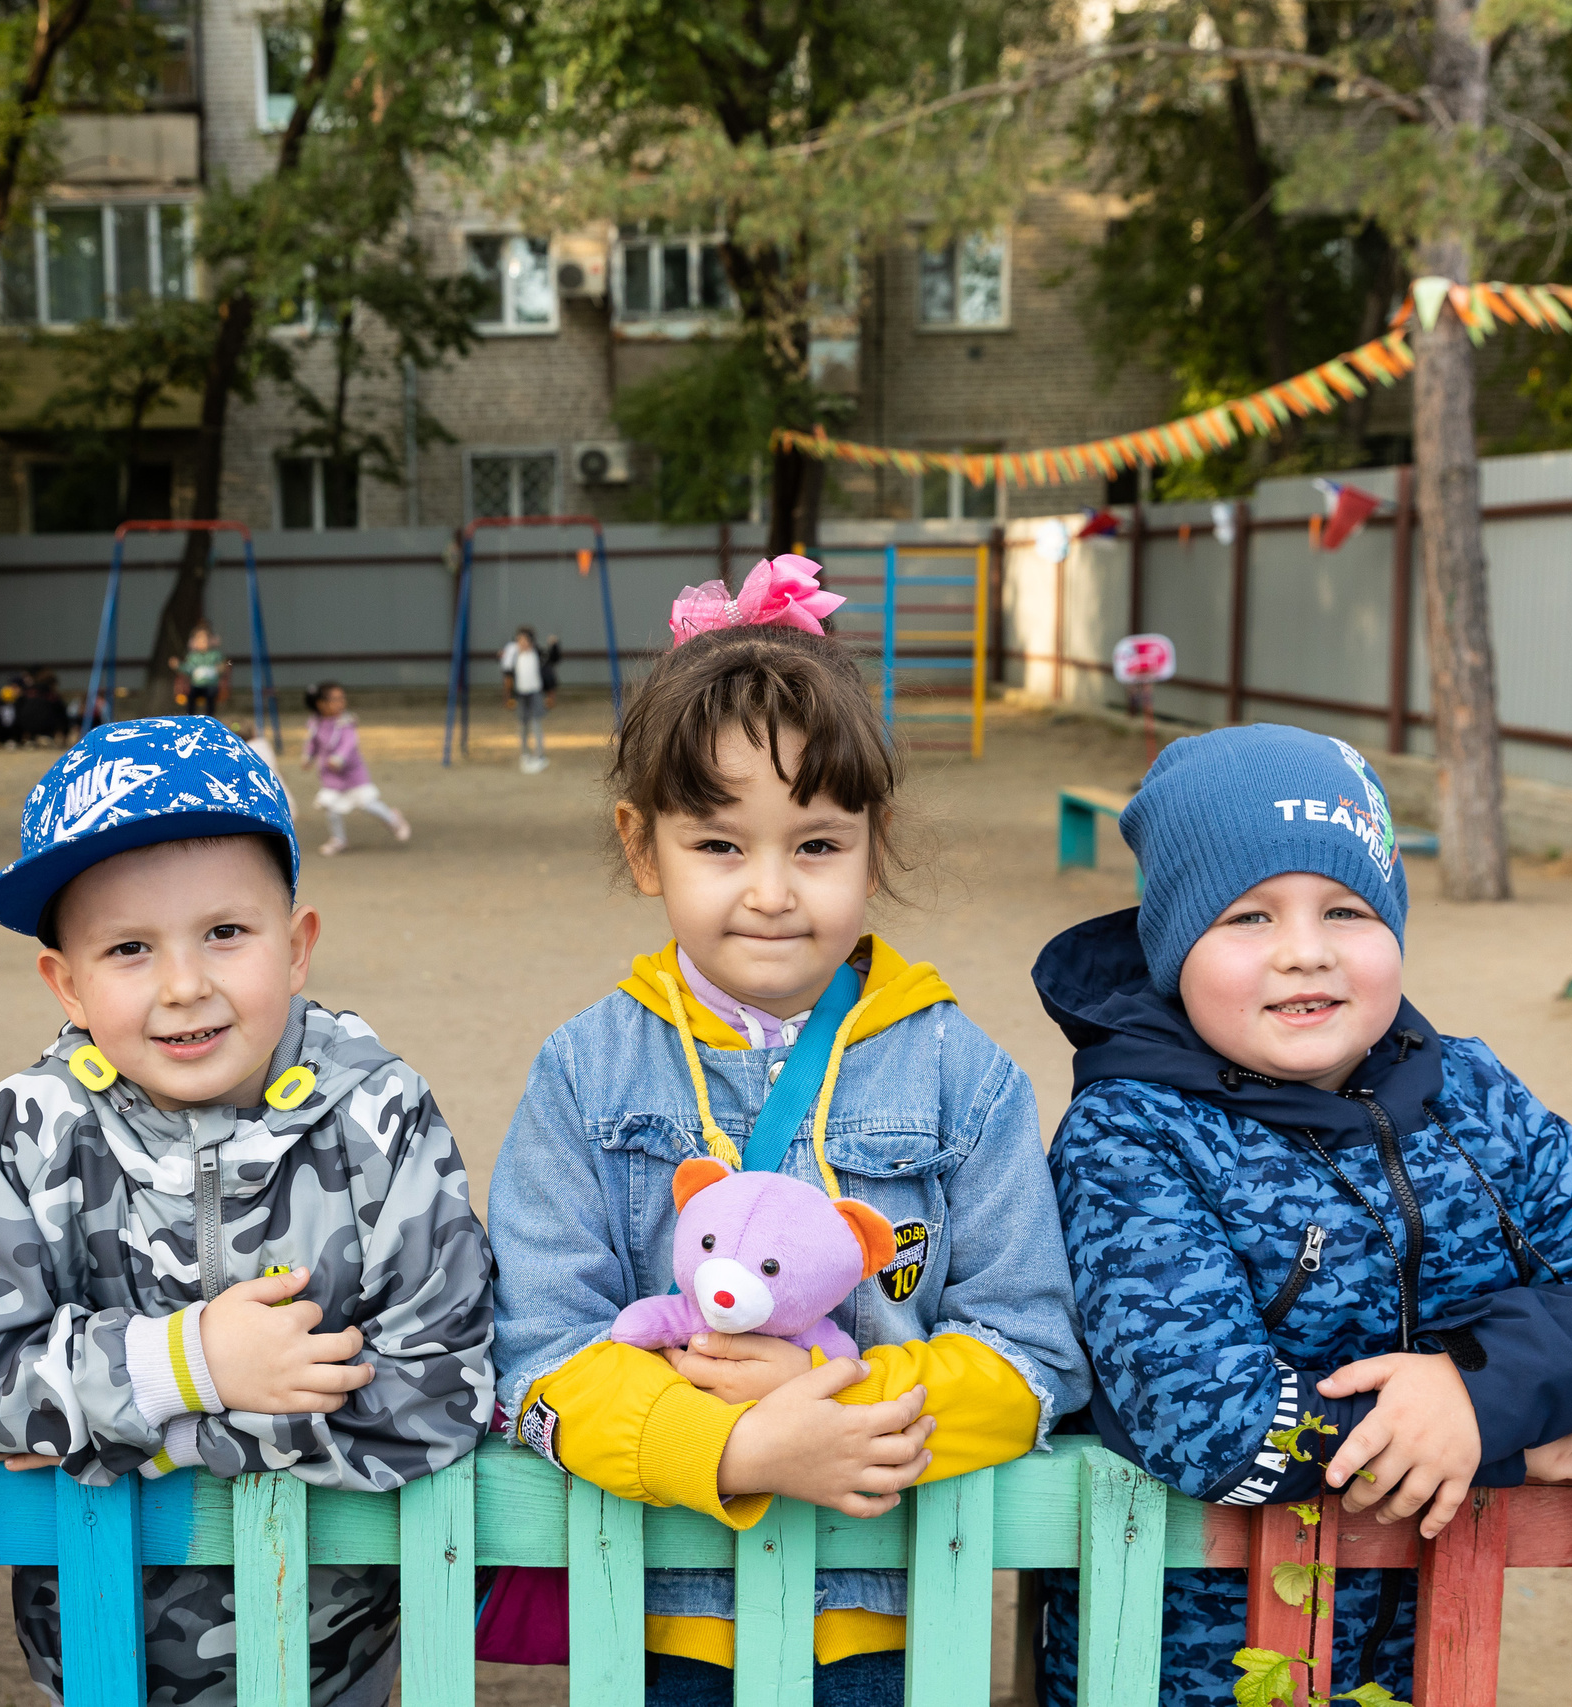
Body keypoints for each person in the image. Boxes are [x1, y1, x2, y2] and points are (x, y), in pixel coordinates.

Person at [488, 559, 1090, 1703]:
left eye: (815, 845)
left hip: (880, 1625)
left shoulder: (966, 1075)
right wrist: (725, 1446)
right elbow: (537, 1355)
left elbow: (1034, 1350)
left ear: (875, 840)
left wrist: (838, 1415)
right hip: (654, 1613)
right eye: (719, 846)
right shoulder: (584, 1072)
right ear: (640, 845)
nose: (770, 890)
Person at [1033, 723, 1572, 1707]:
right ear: (1173, 941)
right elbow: (1212, 1426)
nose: (1304, 953)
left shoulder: (1469, 1093)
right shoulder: (1128, 1137)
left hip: (1427, 1661)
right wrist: (1500, 1442)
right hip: (1178, 1672)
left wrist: (1478, 1395)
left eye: (1346, 909)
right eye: (1247, 918)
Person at [0, 715, 493, 1707]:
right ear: (68, 983)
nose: (184, 985)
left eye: (225, 932)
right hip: (93, 1652)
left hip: (341, 1656)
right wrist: (187, 1366)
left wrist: (143, 1434)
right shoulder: (35, 1129)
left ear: (295, 947)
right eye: (129, 948)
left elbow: (444, 1396)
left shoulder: (380, 1116)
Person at [300, 680, 409, 855]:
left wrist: (339, 758)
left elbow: (349, 743)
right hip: (331, 777)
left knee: (368, 803)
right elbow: (312, 743)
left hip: (353, 774)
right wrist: (307, 757)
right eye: (334, 699)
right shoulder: (315, 723)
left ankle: (393, 819)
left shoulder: (345, 722)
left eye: (342, 698)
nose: (340, 703)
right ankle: (338, 839)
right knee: (331, 806)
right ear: (320, 704)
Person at [500, 627, 548, 773]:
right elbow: (506, 669)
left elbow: (553, 657)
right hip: (521, 694)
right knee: (522, 725)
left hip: (535, 693)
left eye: (524, 640)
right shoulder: (514, 655)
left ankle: (539, 754)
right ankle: (525, 753)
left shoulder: (537, 654)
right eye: (519, 640)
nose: (522, 643)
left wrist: (554, 644)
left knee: (536, 723)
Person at [171, 622, 229, 717]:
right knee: (191, 697)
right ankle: (190, 717)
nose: (202, 642)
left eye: (204, 640)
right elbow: (188, 669)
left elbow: (225, 665)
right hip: (197, 686)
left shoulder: (215, 655)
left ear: (210, 641)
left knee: (210, 695)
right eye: (199, 640)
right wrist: (178, 666)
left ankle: (210, 717)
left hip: (211, 685)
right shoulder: (192, 657)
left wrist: (221, 668)